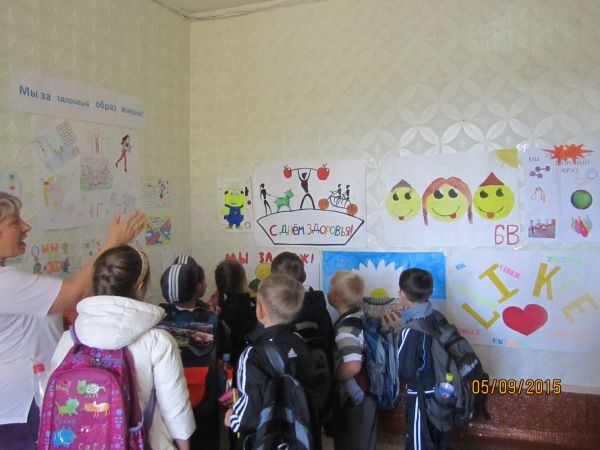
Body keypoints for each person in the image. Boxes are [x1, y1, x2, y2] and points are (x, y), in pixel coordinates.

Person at [0, 191, 145, 449]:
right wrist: (113, 243)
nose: (25, 227)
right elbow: (75, 293)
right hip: (20, 409)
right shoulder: (5, 282)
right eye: (14, 222)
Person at [48, 245, 195, 450]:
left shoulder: (71, 339)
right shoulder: (158, 341)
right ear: (140, 287)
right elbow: (176, 409)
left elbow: (48, 398)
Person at [224, 274, 319, 449]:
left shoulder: (252, 354)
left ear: (260, 310)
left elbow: (250, 409)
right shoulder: (301, 343)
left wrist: (233, 419)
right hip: (299, 437)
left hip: (265, 440)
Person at [159, 257, 231, 450]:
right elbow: (226, 353)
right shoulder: (211, 320)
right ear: (197, 288)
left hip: (169, 399)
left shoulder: (159, 320)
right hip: (205, 399)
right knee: (207, 440)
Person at [397, 268, 450, 450]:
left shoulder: (410, 330)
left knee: (419, 441)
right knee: (439, 437)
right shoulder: (436, 316)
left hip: (421, 395)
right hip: (442, 390)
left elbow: (405, 371)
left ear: (402, 294)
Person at [327, 271, 378, 450]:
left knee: (352, 441)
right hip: (369, 388)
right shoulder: (361, 315)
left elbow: (353, 365)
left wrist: (333, 375)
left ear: (333, 297)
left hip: (356, 394)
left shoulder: (346, 329)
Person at [271, 251, 335, 347]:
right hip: (318, 355)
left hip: (287, 355)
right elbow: (329, 339)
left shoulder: (273, 308)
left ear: (273, 280)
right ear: (303, 275)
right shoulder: (317, 303)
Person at [213, 259, 256, 367]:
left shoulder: (218, 308)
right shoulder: (249, 307)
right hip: (247, 361)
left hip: (227, 363)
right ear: (244, 281)